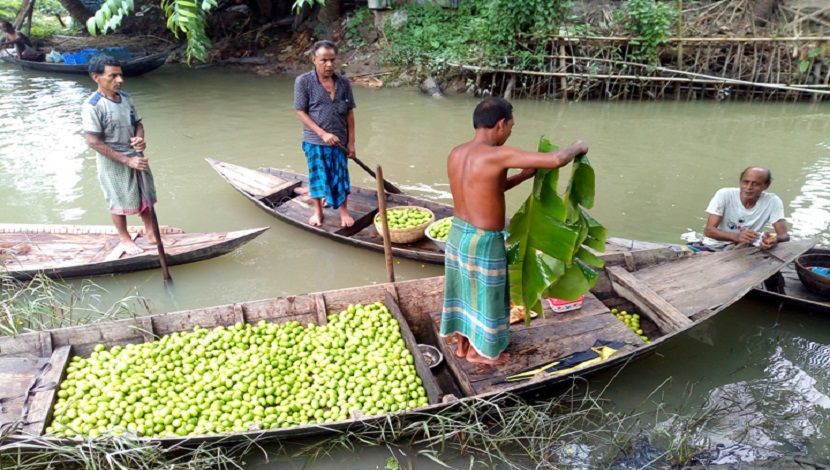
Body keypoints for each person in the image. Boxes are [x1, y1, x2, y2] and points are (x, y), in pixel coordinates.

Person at [440, 97, 590, 365]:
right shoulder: (498, 154)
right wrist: (578, 146)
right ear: (500, 124)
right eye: (511, 126)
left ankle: (463, 347)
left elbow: (486, 189)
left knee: (463, 294)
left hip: (458, 233)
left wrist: (522, 176)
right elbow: (556, 159)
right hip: (484, 240)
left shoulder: (456, 153)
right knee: (488, 296)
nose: (510, 132)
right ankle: (481, 353)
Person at [82, 54, 158, 255]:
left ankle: (151, 232)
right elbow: (93, 141)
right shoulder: (93, 105)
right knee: (117, 200)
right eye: (113, 76)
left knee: (146, 194)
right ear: (96, 77)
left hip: (135, 154)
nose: (120, 80)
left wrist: (139, 138)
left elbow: (137, 124)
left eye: (120, 75)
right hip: (113, 160)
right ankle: (124, 239)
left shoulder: (126, 98)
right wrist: (127, 160)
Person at [293, 39, 356, 228]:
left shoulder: (343, 83)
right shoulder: (304, 82)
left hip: (340, 141)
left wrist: (351, 143)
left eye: (332, 60)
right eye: (324, 60)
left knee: (341, 176)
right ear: (313, 59)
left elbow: (350, 114)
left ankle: (344, 211)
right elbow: (300, 112)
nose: (329, 64)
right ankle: (318, 212)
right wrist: (322, 134)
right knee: (318, 177)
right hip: (315, 141)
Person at [702, 166, 790, 250]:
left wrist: (772, 239)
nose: (749, 187)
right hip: (714, 246)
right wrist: (737, 237)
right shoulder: (724, 194)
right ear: (740, 181)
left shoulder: (772, 201)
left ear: (766, 185)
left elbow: (784, 236)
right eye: (745, 182)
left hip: (745, 248)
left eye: (755, 184)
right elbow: (708, 231)